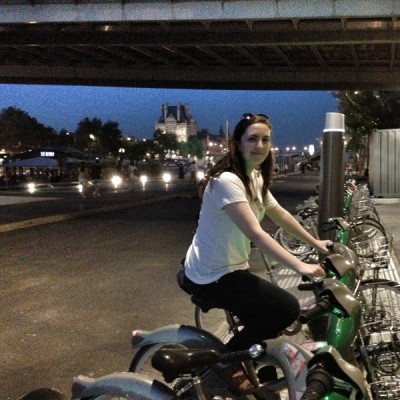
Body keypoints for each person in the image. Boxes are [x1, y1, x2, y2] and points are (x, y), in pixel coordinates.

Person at [177, 113, 329, 394]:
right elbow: (256, 233)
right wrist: (301, 266)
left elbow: (280, 214)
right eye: (252, 139)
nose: (260, 145)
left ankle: (263, 377)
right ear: (237, 143)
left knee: (267, 318)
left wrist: (318, 244)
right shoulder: (227, 181)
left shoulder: (254, 176)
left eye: (265, 139)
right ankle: (224, 361)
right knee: (286, 308)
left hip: (231, 268)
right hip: (210, 274)